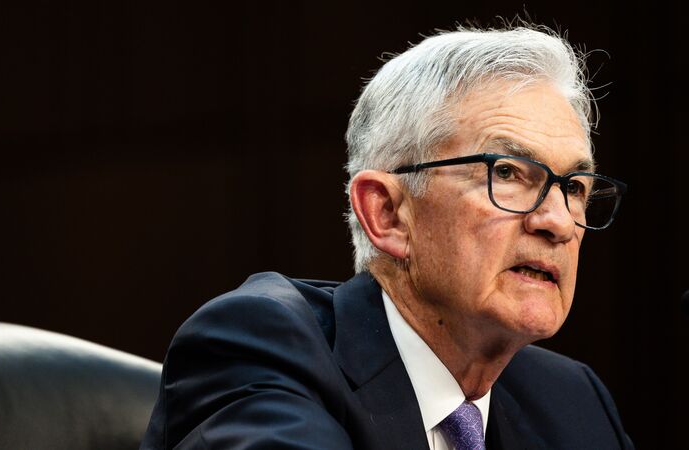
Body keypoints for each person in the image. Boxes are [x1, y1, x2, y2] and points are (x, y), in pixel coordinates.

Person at [141, 24, 634, 450]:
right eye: (506, 172)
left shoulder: (571, 402)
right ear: (388, 213)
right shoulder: (259, 347)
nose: (559, 222)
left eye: (572, 187)